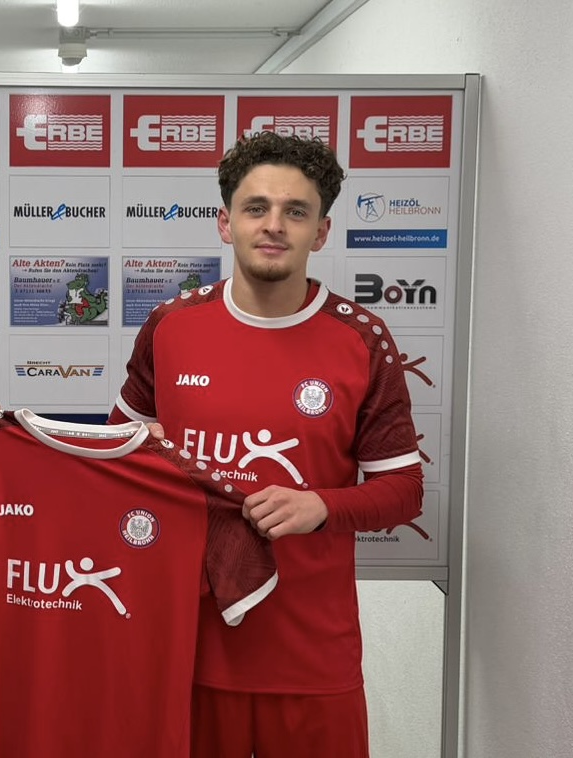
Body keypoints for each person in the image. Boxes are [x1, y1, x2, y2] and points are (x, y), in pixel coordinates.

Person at [109, 131, 424, 758]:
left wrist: (323, 506)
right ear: (226, 223)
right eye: (256, 208)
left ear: (322, 232)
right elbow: (115, 454)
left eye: (295, 211)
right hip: (187, 650)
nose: (274, 225)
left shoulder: (362, 338)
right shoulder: (170, 325)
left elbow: (404, 491)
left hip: (312, 658)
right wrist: (134, 451)